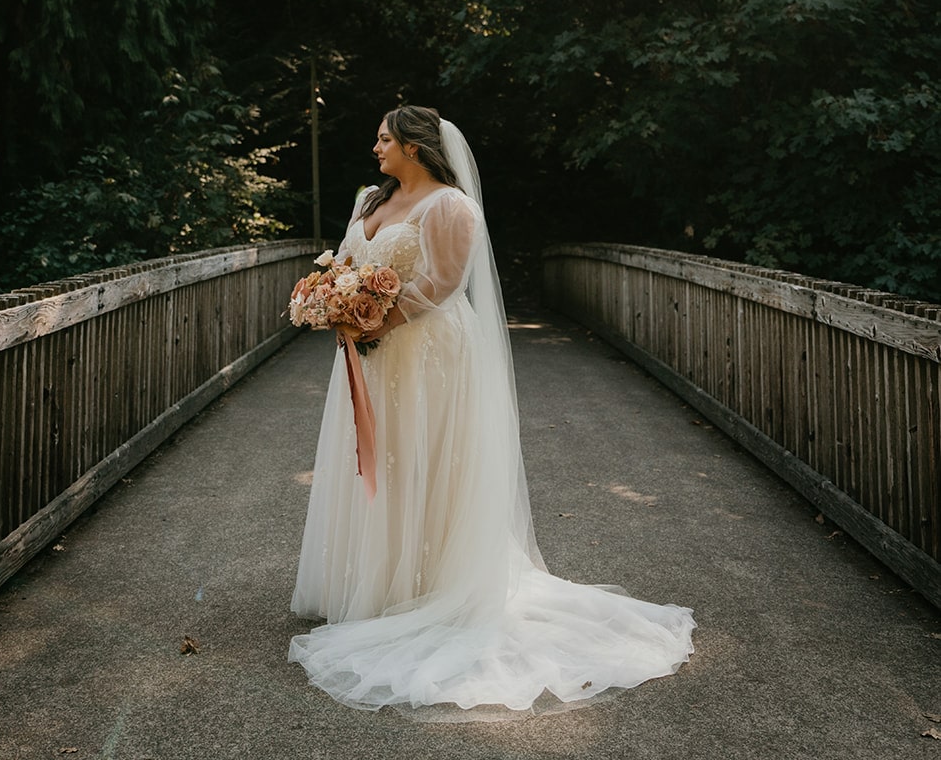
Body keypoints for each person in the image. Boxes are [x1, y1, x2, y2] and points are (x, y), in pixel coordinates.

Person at [289, 105, 695, 715]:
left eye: (383, 139)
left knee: (426, 457)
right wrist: (335, 300)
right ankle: (372, 582)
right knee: (381, 460)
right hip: (369, 353)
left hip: (426, 352)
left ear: (415, 145)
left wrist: (375, 317)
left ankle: (427, 587)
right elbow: (348, 266)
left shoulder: (451, 207)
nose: (375, 148)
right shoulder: (369, 201)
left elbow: (445, 283)